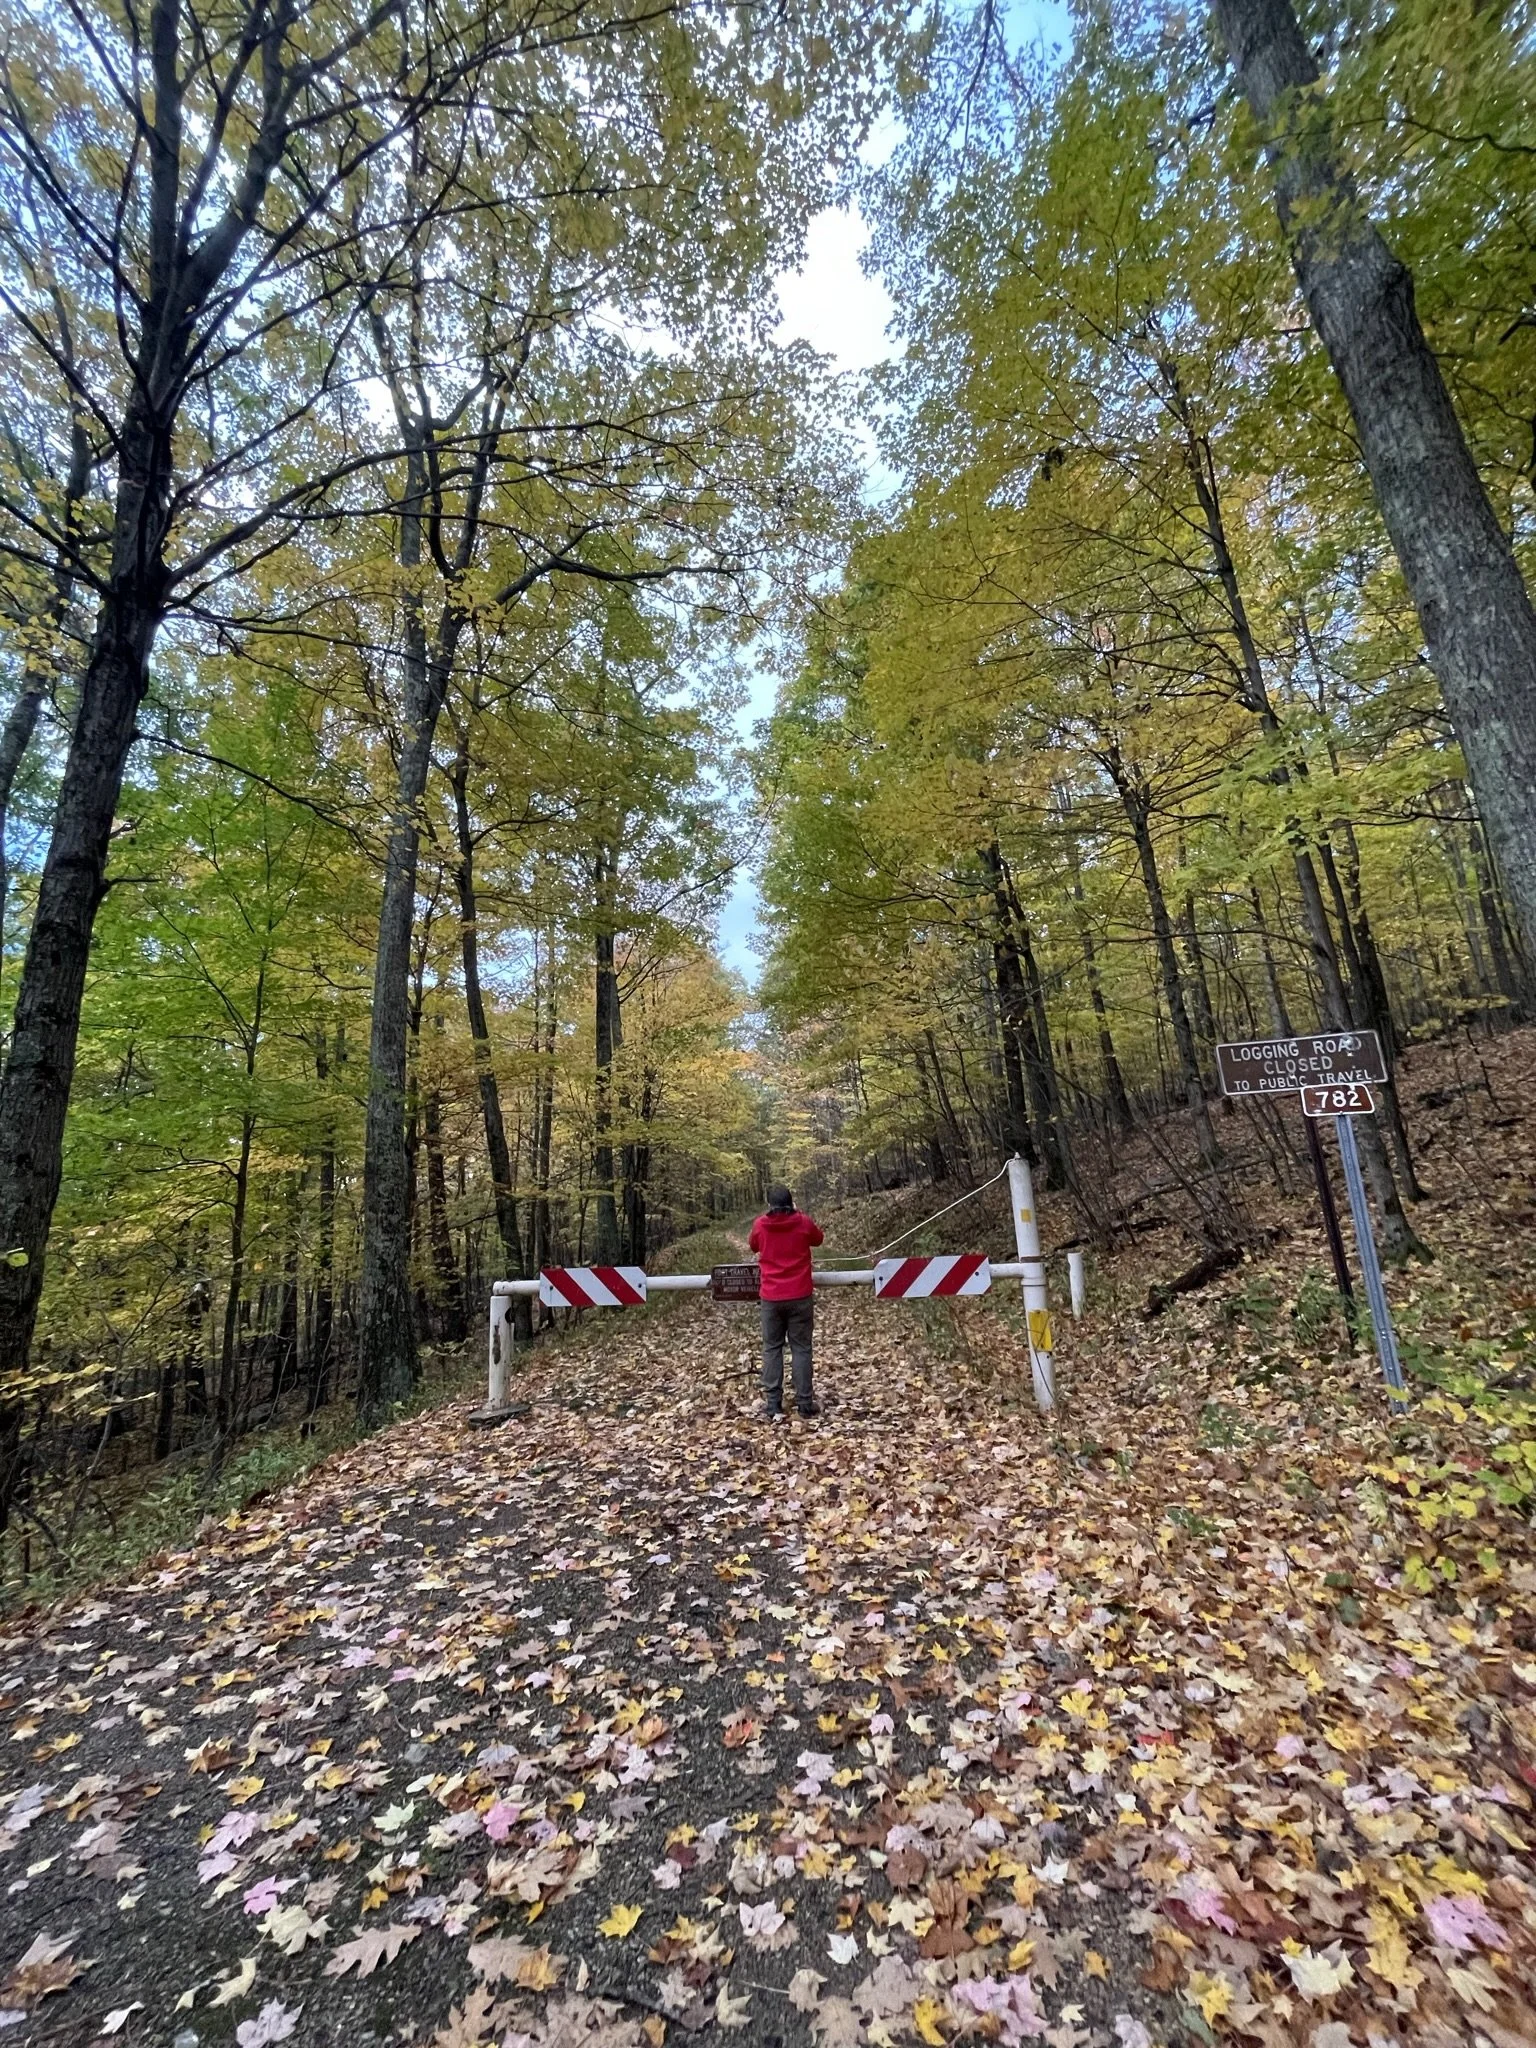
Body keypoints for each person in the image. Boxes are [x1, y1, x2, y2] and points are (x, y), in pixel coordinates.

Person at [749, 1184, 824, 1422]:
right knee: (801, 1348)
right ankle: (804, 1403)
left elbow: (753, 1245)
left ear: (769, 1204)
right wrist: (798, 1213)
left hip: (771, 1297)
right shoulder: (802, 1222)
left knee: (772, 1348)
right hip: (800, 1295)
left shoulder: (761, 1225)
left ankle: (773, 1404)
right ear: (791, 1202)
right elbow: (818, 1239)